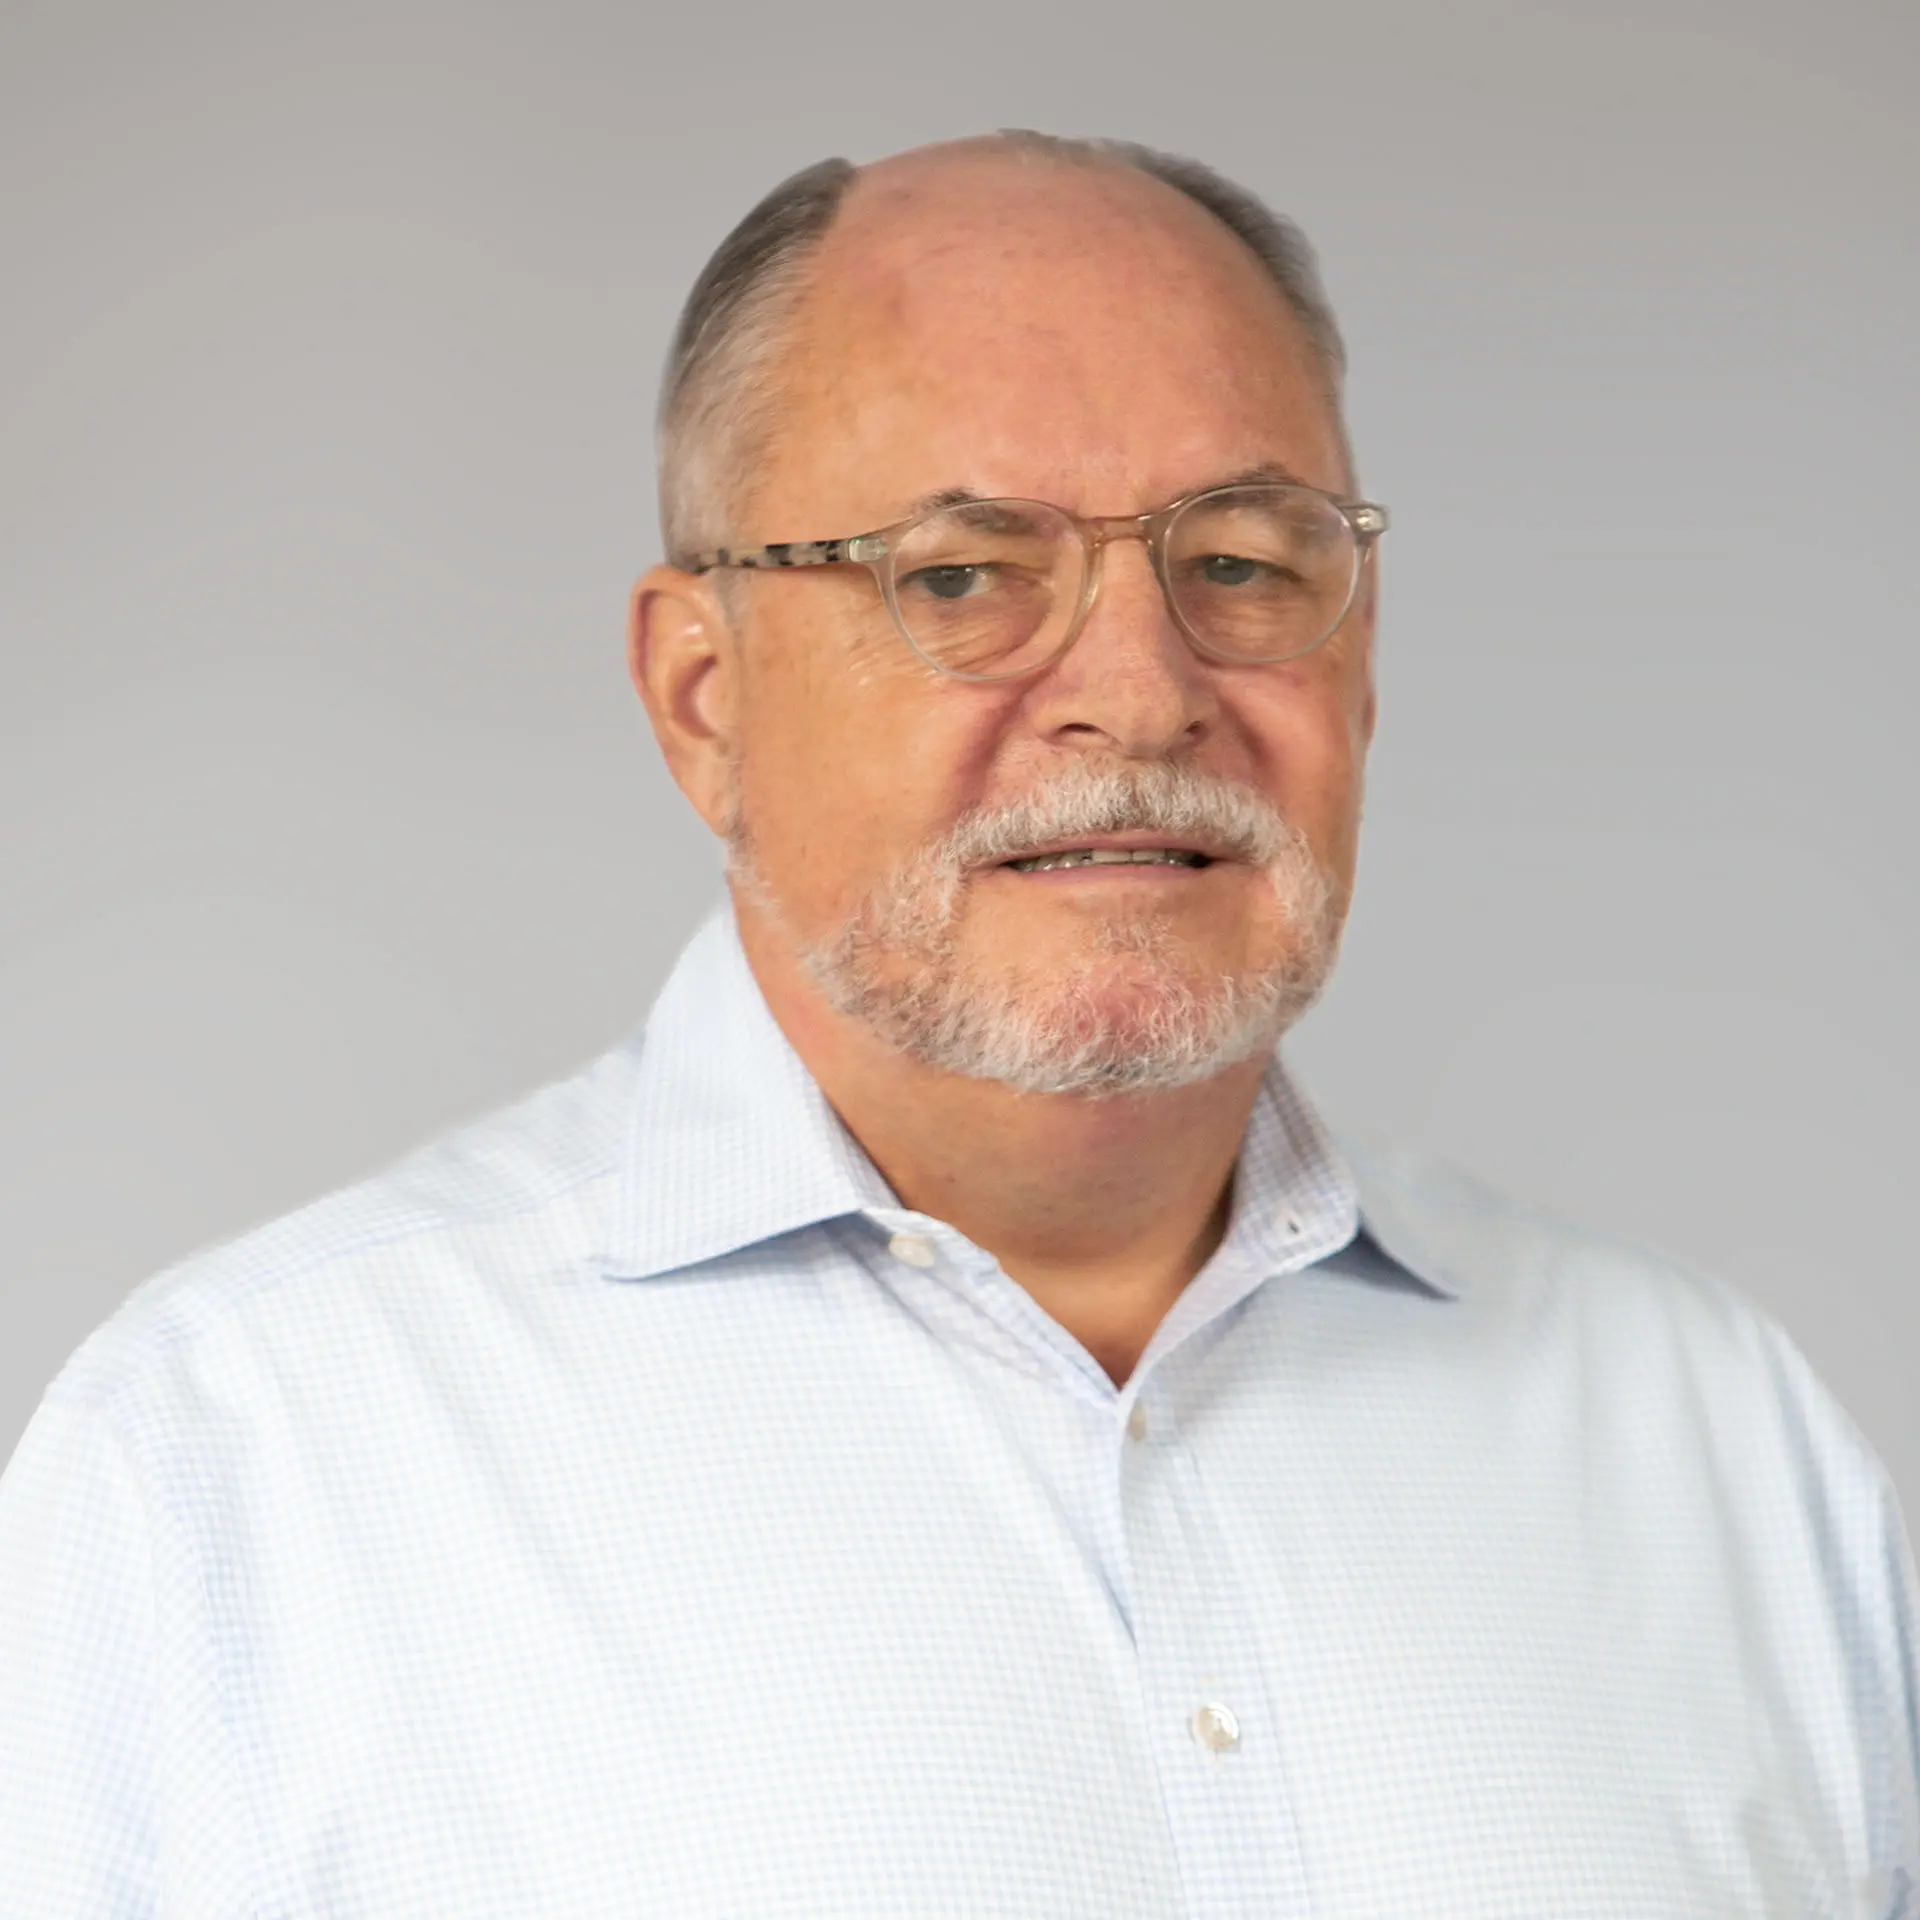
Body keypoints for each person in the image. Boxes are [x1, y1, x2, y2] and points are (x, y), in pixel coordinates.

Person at [1, 130, 1914, 1919]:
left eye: (1241, 563)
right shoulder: (241, 1467)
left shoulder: (1720, 1442)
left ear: (1365, 651)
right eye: (966, 577)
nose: (1142, 694)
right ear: (701, 697)